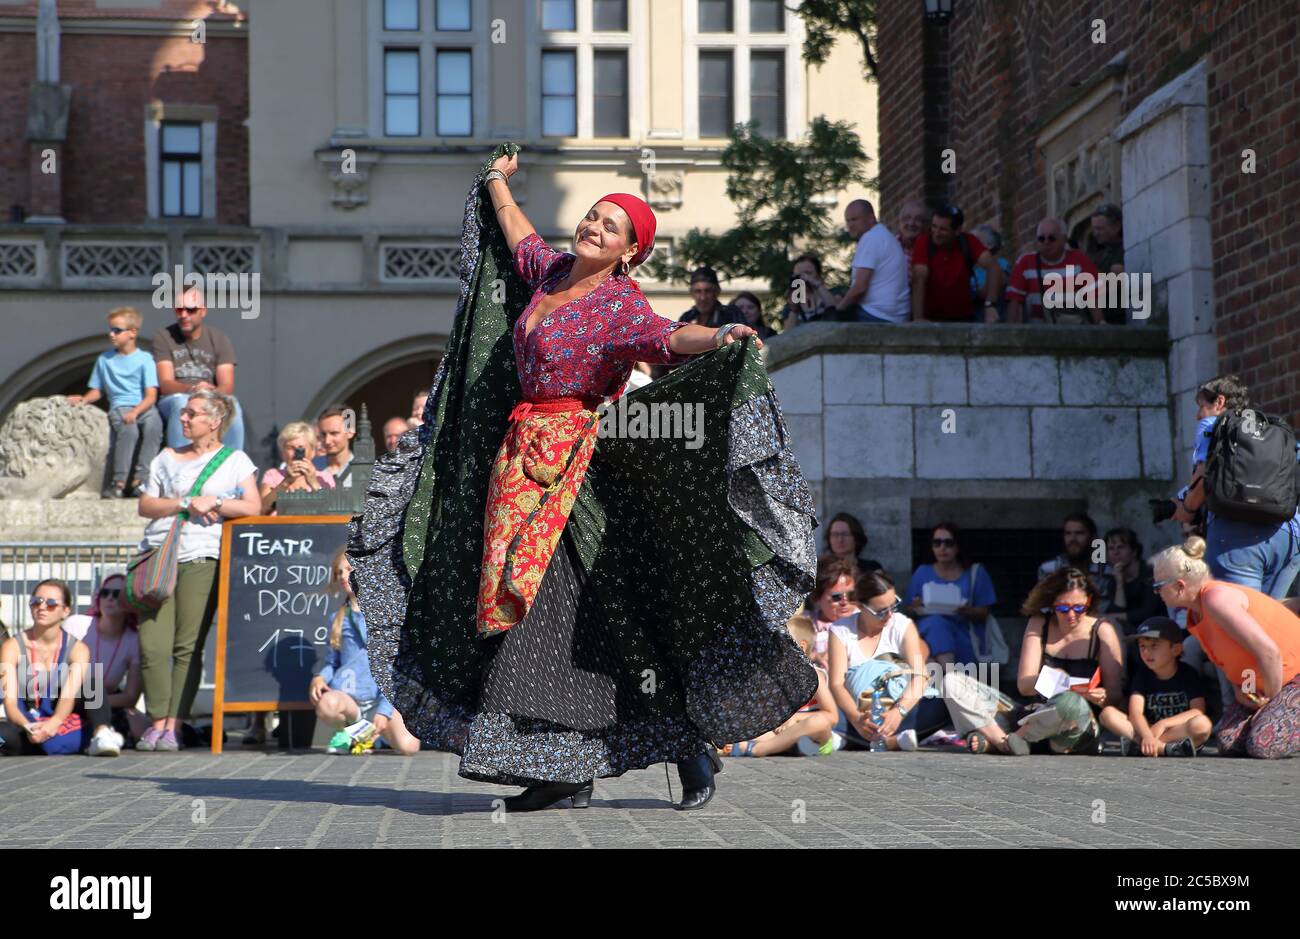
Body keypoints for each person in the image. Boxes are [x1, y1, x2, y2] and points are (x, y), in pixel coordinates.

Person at [348, 145, 816, 814]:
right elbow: (518, 236)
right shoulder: (551, 272)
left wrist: (719, 338)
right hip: (518, 462)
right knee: (545, 611)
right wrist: (495, 182)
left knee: (573, 607)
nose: (593, 227)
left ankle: (675, 745)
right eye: (592, 216)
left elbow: (666, 335)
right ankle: (565, 768)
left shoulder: (620, 304)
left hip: (572, 465)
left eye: (610, 226)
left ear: (630, 251)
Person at [135, 390, 260, 751]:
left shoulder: (234, 460)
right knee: (153, 645)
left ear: (215, 421)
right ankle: (158, 718)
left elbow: (251, 504)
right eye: (184, 413)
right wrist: (186, 502)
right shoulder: (167, 457)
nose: (183, 418)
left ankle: (173, 724)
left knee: (187, 645)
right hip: (158, 554)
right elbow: (146, 503)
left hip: (203, 556)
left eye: (192, 413)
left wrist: (218, 501)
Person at [1153, 537, 1300, 759]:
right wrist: (1243, 690)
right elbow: (1234, 660)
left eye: (1158, 586)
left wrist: (1270, 701)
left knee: (1262, 746)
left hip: (1291, 674)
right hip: (1266, 678)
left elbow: (1268, 651)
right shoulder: (1196, 614)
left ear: (1180, 586)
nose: (1157, 593)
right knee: (1228, 743)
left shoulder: (1216, 599)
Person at [1165, 375, 1300, 601]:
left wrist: (1187, 509)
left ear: (1219, 402)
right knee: (1271, 623)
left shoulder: (1212, 424)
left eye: (1201, 407)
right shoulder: (1274, 428)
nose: (1198, 415)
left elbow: (1202, 475)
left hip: (1237, 539)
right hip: (1288, 536)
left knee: (1238, 622)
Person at [310, 548, 419, 756]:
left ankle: (368, 736)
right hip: (350, 697)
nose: (343, 576)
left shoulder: (386, 615)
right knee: (328, 704)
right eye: (339, 572)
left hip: (382, 697)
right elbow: (333, 662)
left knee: (409, 747)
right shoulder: (337, 618)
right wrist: (319, 677)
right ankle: (355, 731)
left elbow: (397, 667)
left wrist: (385, 711)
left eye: (349, 570)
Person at [1013, 567, 1124, 754]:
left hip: (1080, 721)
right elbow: (1024, 685)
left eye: (1079, 608)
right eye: (1063, 608)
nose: (1071, 615)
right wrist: (1050, 678)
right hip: (1041, 712)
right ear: (1051, 604)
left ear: (1088, 601)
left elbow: (1115, 697)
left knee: (1069, 701)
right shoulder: (1039, 623)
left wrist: (1099, 697)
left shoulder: (1102, 631)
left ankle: (1015, 738)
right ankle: (1028, 740)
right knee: (955, 683)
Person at [68, 306, 162, 499]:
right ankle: (118, 482)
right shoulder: (105, 360)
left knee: (154, 425)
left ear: (132, 333)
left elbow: (151, 395)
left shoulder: (145, 359)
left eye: (117, 330)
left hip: (143, 405)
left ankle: (141, 479)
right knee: (129, 430)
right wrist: (84, 399)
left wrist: (136, 412)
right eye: (111, 329)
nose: (112, 334)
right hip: (120, 405)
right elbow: (97, 390)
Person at [720, 614, 841, 756]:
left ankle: (757, 750)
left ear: (800, 647)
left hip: (814, 738)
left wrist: (795, 718)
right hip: (781, 736)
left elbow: (832, 717)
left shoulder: (815, 676)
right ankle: (779, 746)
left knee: (819, 721)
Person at [0, 580, 92, 755]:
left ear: (65, 611)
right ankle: (34, 744)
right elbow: (10, 704)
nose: (41, 607)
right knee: (3, 736)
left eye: (50, 603)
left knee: (55, 741)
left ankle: (41, 745)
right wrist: (29, 727)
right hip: (24, 723)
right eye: (36, 601)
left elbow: (68, 698)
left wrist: (52, 725)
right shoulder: (11, 646)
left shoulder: (78, 649)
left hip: (59, 722)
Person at [1100, 616, 1209, 757]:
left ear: (1176, 649)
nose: (1146, 652)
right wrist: (1147, 735)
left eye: (1154, 646)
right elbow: (1135, 712)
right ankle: (1164, 749)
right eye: (1142, 646)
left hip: (1175, 730)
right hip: (1146, 728)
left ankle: (1141, 746)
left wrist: (1164, 723)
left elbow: (1197, 710)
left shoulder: (1188, 673)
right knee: (1107, 714)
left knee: (1202, 724)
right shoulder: (1141, 675)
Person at [151, 285, 244, 451]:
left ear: (203, 311)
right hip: (175, 397)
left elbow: (227, 385)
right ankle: (181, 463)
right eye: (179, 309)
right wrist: (193, 389)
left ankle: (232, 463)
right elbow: (165, 384)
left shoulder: (219, 338)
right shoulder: (163, 336)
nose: (184, 315)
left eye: (191, 310)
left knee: (232, 403)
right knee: (181, 403)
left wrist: (208, 394)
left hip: (209, 397)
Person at [64, 573, 147, 754]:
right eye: (105, 593)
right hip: (67, 697)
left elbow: (130, 696)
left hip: (108, 701)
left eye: (117, 594)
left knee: (142, 727)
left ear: (129, 601)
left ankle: (198, 733)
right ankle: (104, 734)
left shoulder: (134, 640)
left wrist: (97, 703)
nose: (110, 598)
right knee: (93, 689)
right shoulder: (76, 624)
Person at [906, 521, 996, 665]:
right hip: (928, 630)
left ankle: (947, 676)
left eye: (949, 543)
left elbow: (984, 611)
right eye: (937, 543)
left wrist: (967, 611)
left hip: (963, 633)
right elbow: (908, 610)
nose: (943, 548)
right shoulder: (922, 572)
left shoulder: (975, 573)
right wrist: (915, 607)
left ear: (958, 546)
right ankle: (950, 673)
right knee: (936, 623)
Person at [910, 204, 1003, 322]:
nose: (936, 233)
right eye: (934, 226)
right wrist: (918, 318)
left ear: (957, 230)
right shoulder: (924, 241)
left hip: (963, 317)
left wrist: (990, 305)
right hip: (931, 318)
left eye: (943, 229)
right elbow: (919, 277)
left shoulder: (967, 241)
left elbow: (993, 267)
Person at [1005, 217, 1103, 324]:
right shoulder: (1025, 263)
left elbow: (1094, 298)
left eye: (1052, 238)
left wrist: (1100, 325)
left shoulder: (1079, 259)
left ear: (1064, 239)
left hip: (1075, 331)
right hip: (1038, 334)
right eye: (1041, 239)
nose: (1046, 242)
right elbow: (1014, 301)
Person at [833, 199, 909, 324]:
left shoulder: (871, 238)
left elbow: (859, 288)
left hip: (877, 315)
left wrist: (837, 311)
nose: (850, 225)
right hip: (893, 315)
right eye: (848, 221)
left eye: (855, 219)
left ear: (871, 218)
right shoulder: (883, 235)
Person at [1037, 512, 1115, 610]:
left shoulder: (1106, 571)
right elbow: (1043, 606)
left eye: (1079, 533)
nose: (1073, 539)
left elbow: (1103, 609)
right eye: (1068, 533)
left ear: (1092, 537)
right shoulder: (1049, 569)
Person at [259, 421, 335, 514]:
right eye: (290, 448)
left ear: (312, 452)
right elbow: (262, 509)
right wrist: (286, 482)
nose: (296, 453)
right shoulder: (272, 475)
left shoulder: (325, 477)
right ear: (283, 453)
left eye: (301, 448)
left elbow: (333, 511)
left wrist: (314, 482)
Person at [1103, 527, 1163, 635]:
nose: (1115, 552)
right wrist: (1119, 584)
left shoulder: (1150, 574)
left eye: (1121, 547)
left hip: (1154, 630)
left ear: (1134, 551)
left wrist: (1114, 617)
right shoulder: (1114, 577)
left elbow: (1147, 612)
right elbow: (1116, 612)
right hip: (1128, 633)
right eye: (1111, 548)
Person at [807, 556, 861, 670]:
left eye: (851, 594)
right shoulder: (806, 624)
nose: (845, 602)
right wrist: (814, 656)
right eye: (836, 596)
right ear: (817, 597)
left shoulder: (866, 620)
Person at [780, 253, 841, 330]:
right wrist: (794, 310)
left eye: (808, 273)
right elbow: (787, 333)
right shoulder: (792, 303)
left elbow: (836, 308)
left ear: (818, 275)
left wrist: (816, 284)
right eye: (798, 275)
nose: (803, 278)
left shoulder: (833, 293)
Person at [1088, 203, 1126, 325]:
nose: (1095, 233)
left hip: (1120, 320)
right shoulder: (1098, 255)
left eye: (1100, 228)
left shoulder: (1127, 249)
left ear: (1117, 226)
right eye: (1094, 229)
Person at [970, 225, 1011, 321]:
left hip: (995, 312)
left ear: (990, 245)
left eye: (976, 241)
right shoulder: (972, 269)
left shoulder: (1001, 263)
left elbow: (1002, 282)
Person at [679, 266, 744, 328]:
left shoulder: (731, 314)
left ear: (717, 292)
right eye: (698, 291)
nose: (703, 298)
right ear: (691, 293)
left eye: (707, 291)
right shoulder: (687, 317)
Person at [313, 404, 356, 489]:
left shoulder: (366, 470)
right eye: (323, 434)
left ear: (350, 432)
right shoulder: (311, 467)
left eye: (334, 433)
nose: (327, 441)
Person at [894, 198, 927, 284]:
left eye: (918, 219)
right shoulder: (889, 247)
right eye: (906, 218)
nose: (911, 223)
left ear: (926, 224)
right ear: (899, 222)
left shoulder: (931, 248)